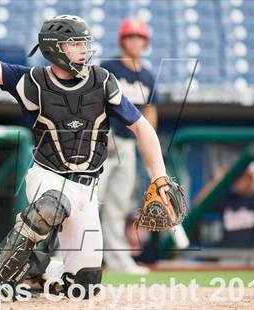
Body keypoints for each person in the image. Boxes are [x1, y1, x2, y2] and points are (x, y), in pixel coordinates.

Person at [0, 15, 171, 302]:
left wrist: (159, 176)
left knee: (84, 285)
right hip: (46, 176)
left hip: (87, 191)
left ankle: (31, 270)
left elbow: (142, 127)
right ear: (55, 48)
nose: (84, 50)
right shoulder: (33, 80)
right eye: (76, 44)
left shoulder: (102, 81)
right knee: (54, 203)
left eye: (84, 44)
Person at [98, 18, 159, 273]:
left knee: (118, 205)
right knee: (88, 201)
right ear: (122, 41)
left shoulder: (146, 76)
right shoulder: (108, 67)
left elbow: (150, 112)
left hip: (127, 145)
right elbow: (94, 101)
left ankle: (117, 260)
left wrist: (147, 146)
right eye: (130, 37)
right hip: (103, 141)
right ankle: (64, 256)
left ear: (145, 43)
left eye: (139, 38)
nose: (135, 42)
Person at [195, 162, 254, 248]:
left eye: (241, 177)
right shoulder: (228, 198)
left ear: (250, 178)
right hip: (228, 256)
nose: (237, 181)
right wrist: (217, 179)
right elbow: (198, 204)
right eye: (235, 177)